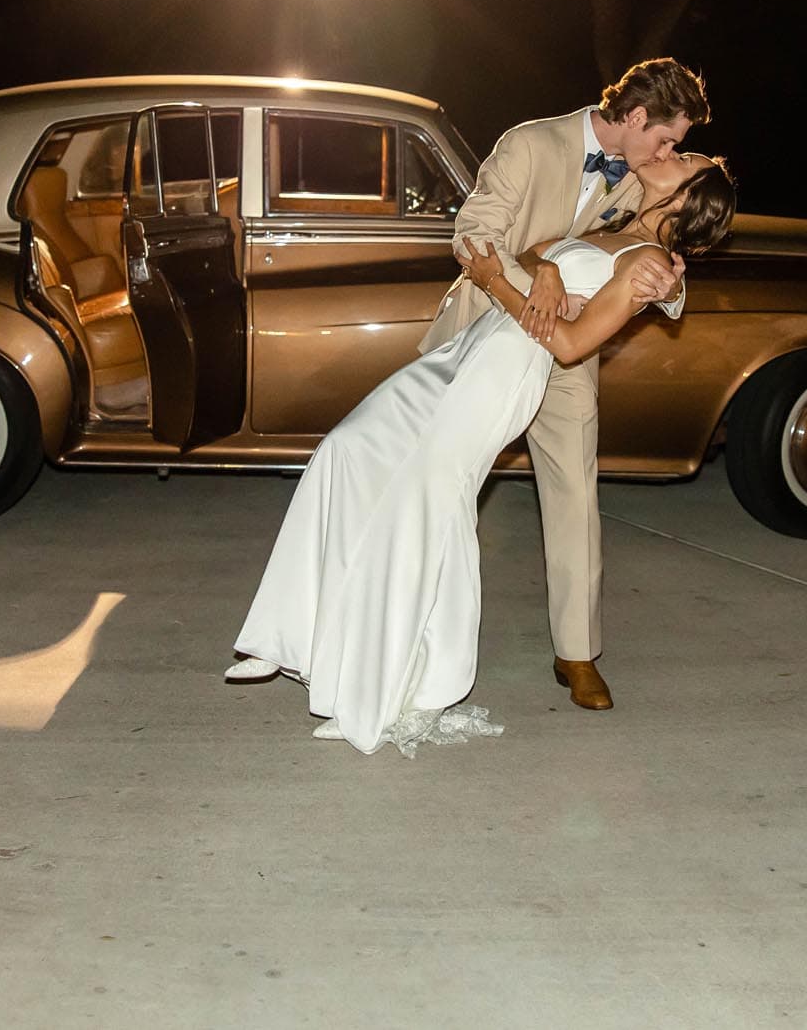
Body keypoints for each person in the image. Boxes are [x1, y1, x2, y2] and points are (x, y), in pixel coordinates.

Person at [226, 153, 736, 754]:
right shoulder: (617, 224)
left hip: (506, 369)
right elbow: (531, 254)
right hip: (468, 347)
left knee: (424, 507)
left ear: (684, 199)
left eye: (682, 159)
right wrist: (542, 267)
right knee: (346, 449)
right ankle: (287, 637)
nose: (667, 153)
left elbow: (570, 346)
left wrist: (499, 282)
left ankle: (390, 691)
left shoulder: (650, 263)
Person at [411, 59, 704, 710]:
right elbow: (472, 235)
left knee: (576, 490)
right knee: (437, 483)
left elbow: (667, 230)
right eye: (665, 139)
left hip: (567, 361)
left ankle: (577, 654)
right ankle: (413, 625)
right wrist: (534, 280)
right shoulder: (530, 143)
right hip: (483, 334)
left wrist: (671, 279)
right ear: (633, 117)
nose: (669, 153)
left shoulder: (644, 173)